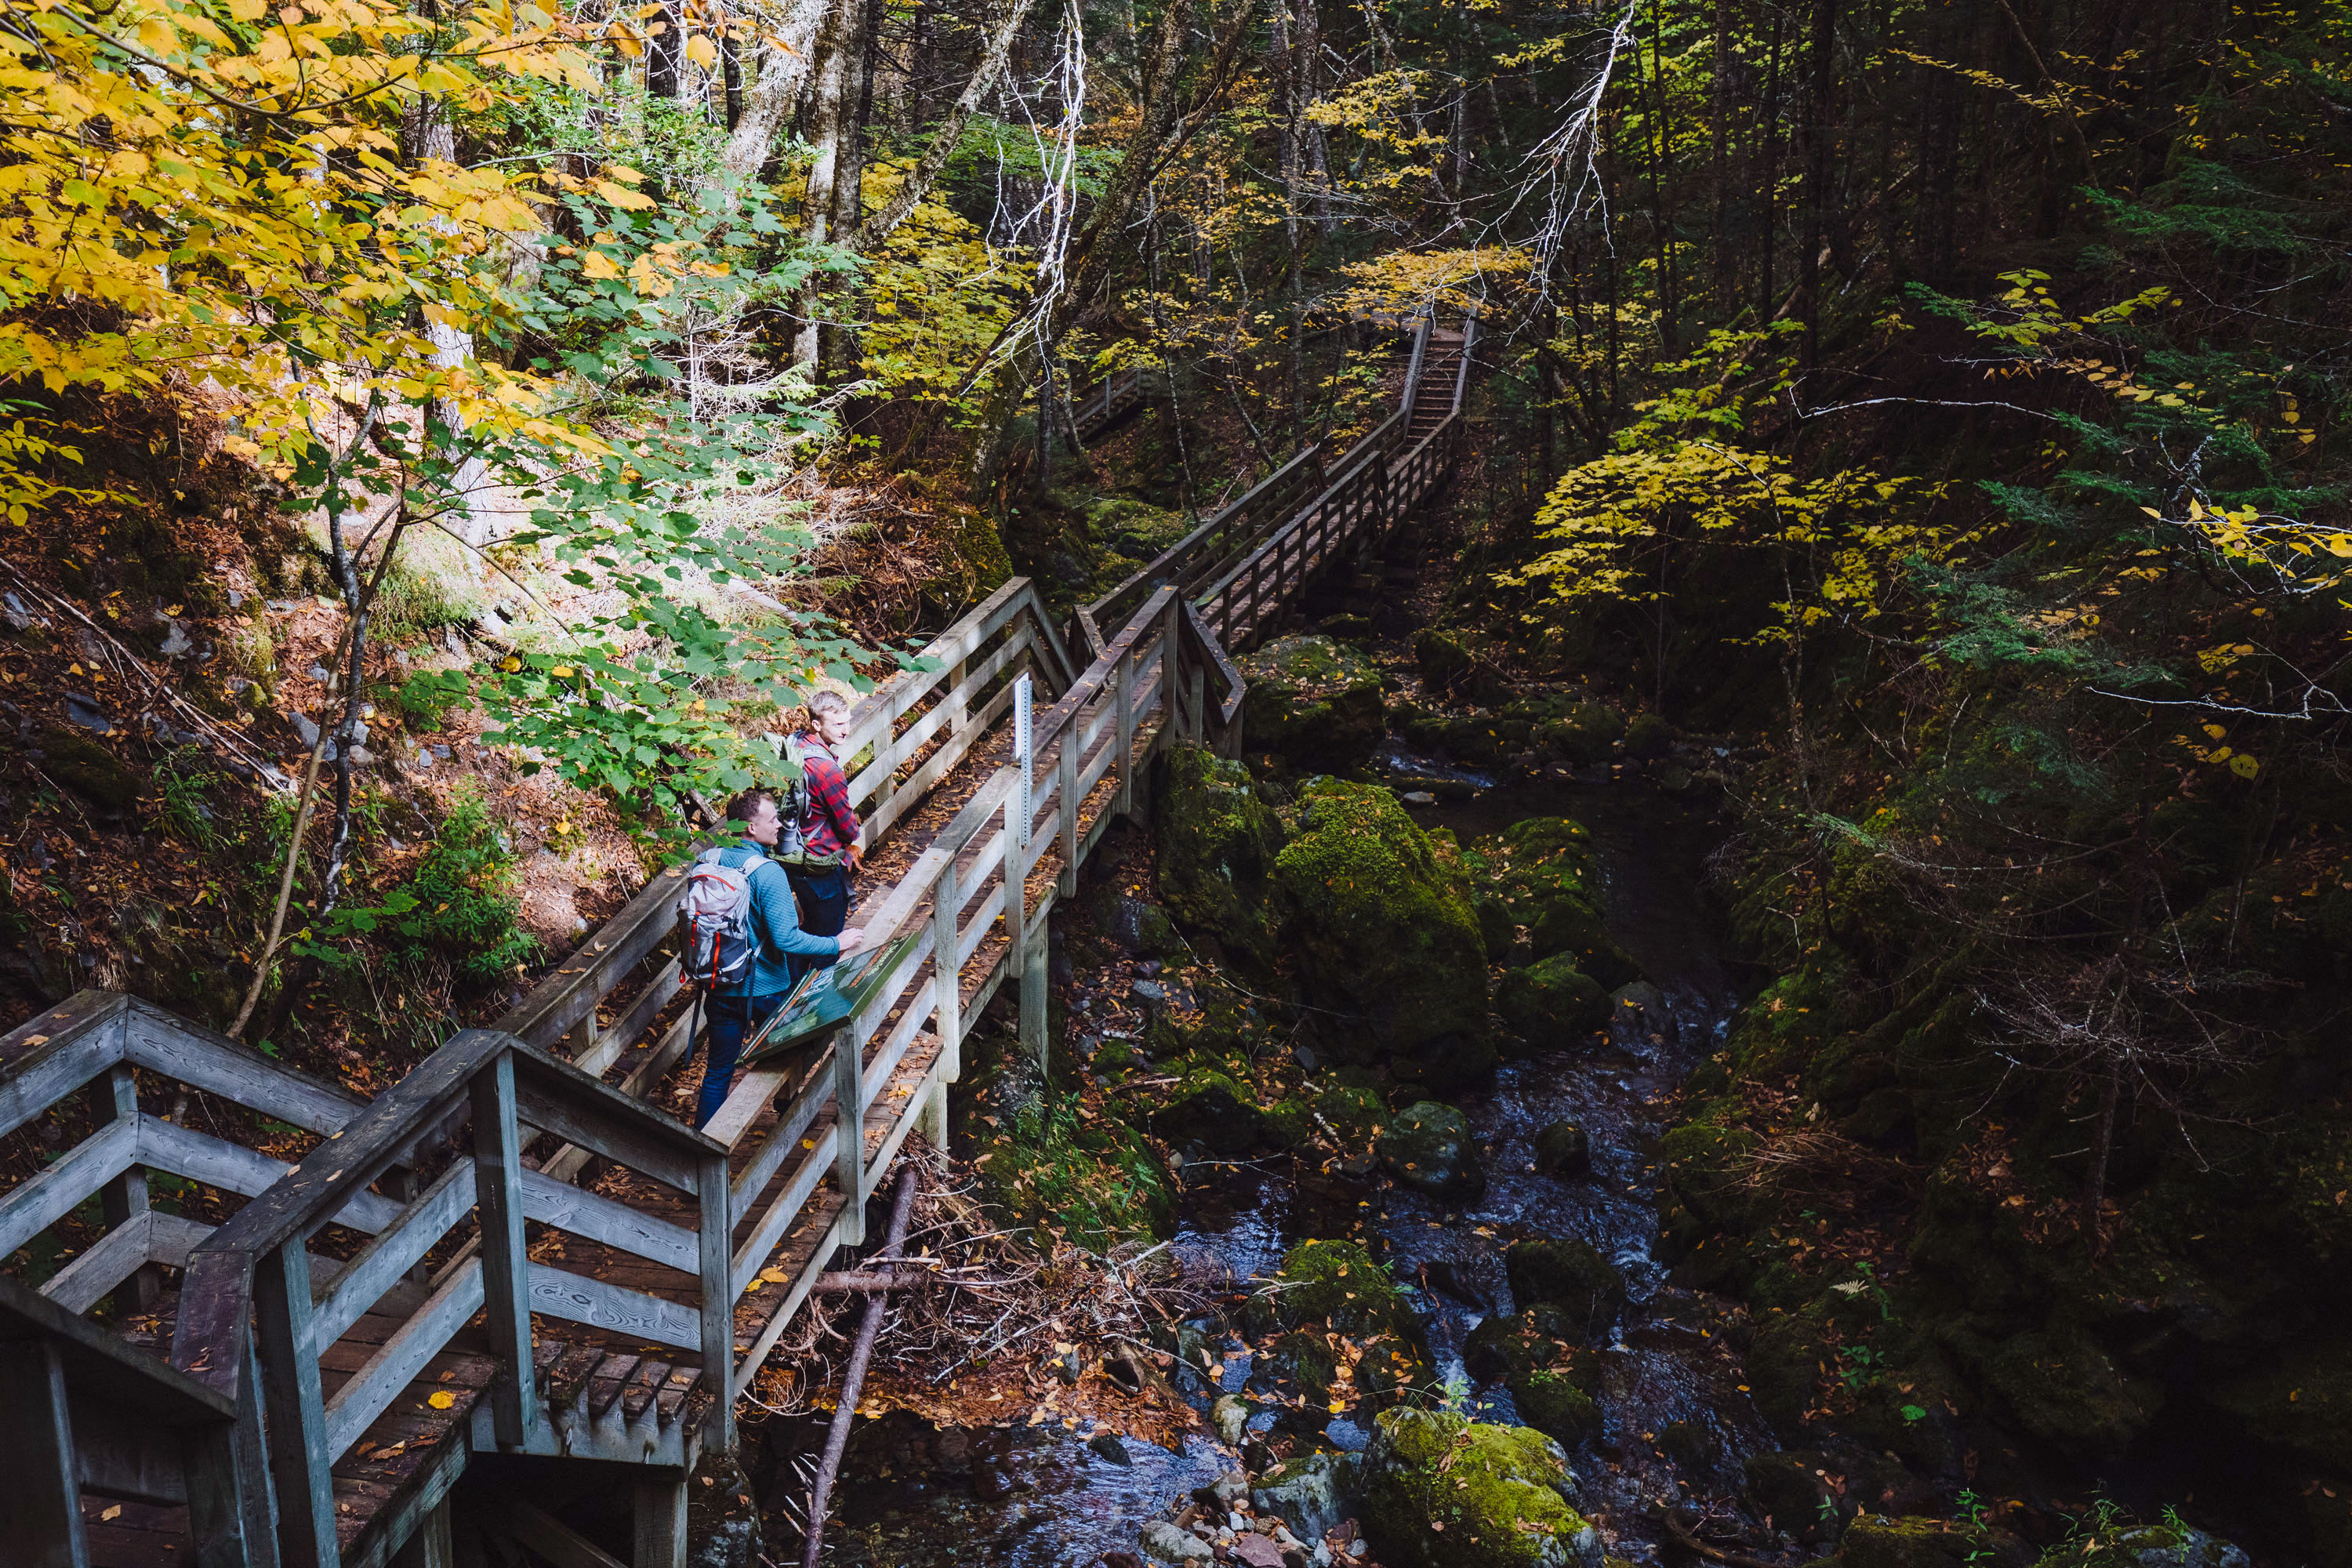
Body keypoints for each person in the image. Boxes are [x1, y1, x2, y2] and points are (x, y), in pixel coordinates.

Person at [697, 788, 865, 1128]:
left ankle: (701, 1148)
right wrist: (835, 943)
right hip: (765, 989)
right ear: (750, 827)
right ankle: (792, 1113)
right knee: (811, 1036)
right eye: (772, 820)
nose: (780, 825)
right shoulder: (767, 872)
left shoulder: (708, 861)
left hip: (719, 984)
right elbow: (787, 939)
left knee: (717, 1072)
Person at [783, 690, 863, 987]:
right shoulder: (827, 770)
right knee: (829, 936)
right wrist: (852, 838)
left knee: (807, 929)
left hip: (791, 852)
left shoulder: (795, 744)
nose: (846, 730)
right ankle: (817, 999)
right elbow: (848, 828)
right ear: (816, 724)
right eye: (838, 724)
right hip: (818, 861)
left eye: (848, 721)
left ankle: (790, 993)